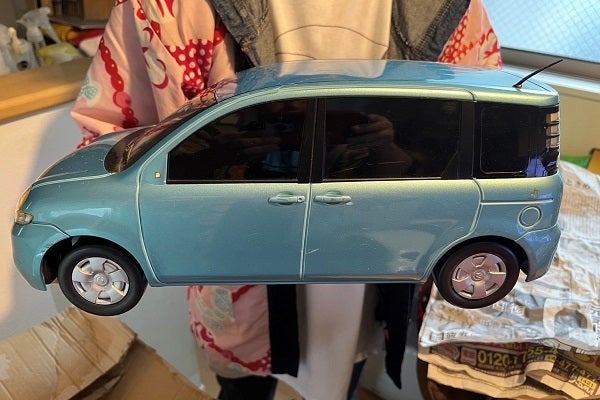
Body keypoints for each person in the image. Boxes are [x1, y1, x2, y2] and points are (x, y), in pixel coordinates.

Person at [71, 1, 502, 399]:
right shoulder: (170, 7)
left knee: (340, 375)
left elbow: (479, 137)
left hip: (369, 276)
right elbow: (115, 147)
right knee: (243, 388)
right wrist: (223, 152)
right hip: (236, 277)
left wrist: (393, 148)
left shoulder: (447, 8)